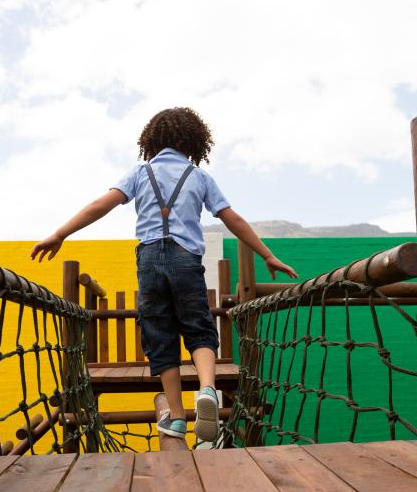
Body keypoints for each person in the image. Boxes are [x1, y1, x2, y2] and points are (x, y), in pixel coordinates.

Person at [31, 107, 297, 442]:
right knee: (198, 325)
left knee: (160, 333)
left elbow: (101, 204)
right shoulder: (199, 177)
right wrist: (267, 255)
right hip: (186, 258)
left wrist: (60, 233)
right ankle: (208, 391)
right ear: (194, 142)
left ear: (152, 141)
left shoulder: (140, 172)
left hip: (150, 260)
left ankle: (174, 416)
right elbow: (234, 220)